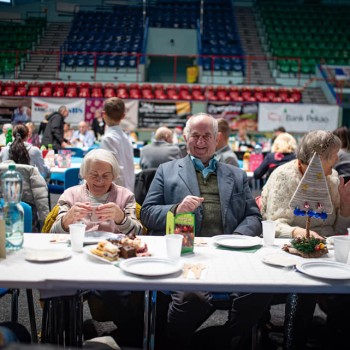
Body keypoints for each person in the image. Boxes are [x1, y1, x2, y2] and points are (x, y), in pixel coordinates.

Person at [141, 113, 271, 350]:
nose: (200, 142)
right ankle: (174, 343)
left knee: (258, 292)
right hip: (186, 255)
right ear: (185, 137)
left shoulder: (237, 174)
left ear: (217, 138)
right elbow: (147, 213)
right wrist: (176, 208)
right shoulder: (166, 170)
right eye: (195, 136)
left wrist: (237, 238)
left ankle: (222, 340)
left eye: (206, 136)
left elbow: (253, 215)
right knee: (193, 299)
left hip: (230, 253)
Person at [261, 130, 350, 349]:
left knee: (344, 294)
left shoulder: (332, 179)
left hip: (325, 251)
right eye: (335, 154)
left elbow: (338, 230)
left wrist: (346, 208)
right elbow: (275, 223)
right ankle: (293, 342)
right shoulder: (283, 176)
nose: (338, 159)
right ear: (319, 157)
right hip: (290, 250)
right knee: (303, 289)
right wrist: (298, 233)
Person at [49, 148, 144, 348]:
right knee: (59, 289)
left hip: (111, 262)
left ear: (114, 176)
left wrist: (121, 218)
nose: (100, 181)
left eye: (105, 176)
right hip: (73, 259)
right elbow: (53, 233)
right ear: (84, 174)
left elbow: (139, 232)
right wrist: (67, 219)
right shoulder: (71, 194)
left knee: (113, 290)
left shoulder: (124, 196)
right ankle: (63, 338)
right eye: (94, 175)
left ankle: (130, 336)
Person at [100, 97, 135, 192]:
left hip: (116, 193)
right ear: (123, 116)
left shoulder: (108, 139)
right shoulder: (127, 138)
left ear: (103, 114)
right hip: (128, 189)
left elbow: (111, 170)